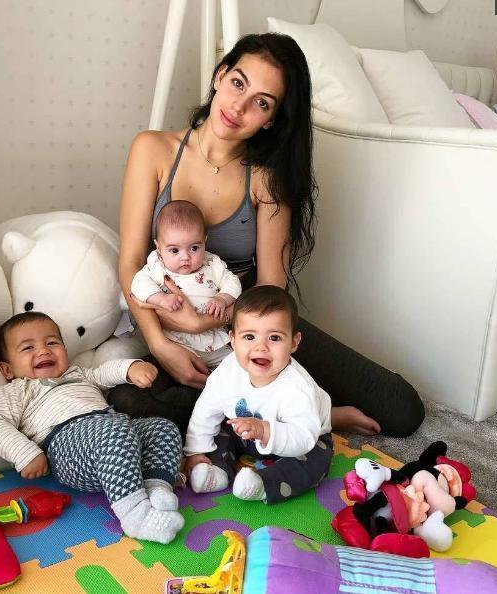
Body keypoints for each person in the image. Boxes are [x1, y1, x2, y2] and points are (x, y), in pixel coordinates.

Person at [109, 32, 424, 438]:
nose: (238, 107)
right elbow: (131, 261)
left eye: (261, 103)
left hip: (252, 325)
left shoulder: (267, 178)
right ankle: (290, 413)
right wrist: (160, 344)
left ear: (271, 119)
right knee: (128, 401)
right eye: (238, 83)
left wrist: (226, 330)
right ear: (220, 76)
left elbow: (272, 284)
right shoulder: (152, 149)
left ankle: (313, 413)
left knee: (402, 409)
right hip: (167, 324)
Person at [0, 311, 185, 544]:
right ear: (7, 370)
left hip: (117, 435)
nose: (43, 351)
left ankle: (156, 488)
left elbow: (104, 373)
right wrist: (25, 454)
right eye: (28, 348)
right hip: (67, 448)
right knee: (115, 433)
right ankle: (135, 515)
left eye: (52, 343)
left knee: (163, 428)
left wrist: (130, 369)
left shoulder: (77, 374)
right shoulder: (16, 390)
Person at [184, 285, 333, 504]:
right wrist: (197, 451)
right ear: (233, 339)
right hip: (246, 432)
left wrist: (264, 430)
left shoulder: (298, 388)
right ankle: (215, 471)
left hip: (300, 439)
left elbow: (303, 436)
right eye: (249, 336)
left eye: (274, 338)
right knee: (221, 431)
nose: (261, 347)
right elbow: (206, 409)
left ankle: (263, 485)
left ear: (293, 342)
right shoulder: (227, 371)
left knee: (315, 460)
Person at [131, 200, 242, 369]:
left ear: (204, 241)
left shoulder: (212, 263)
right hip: (175, 341)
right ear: (158, 247)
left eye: (194, 248)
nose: (185, 257)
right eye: (174, 250)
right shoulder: (157, 266)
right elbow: (138, 283)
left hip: (212, 341)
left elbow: (233, 282)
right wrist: (160, 299)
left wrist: (222, 299)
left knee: (237, 366)